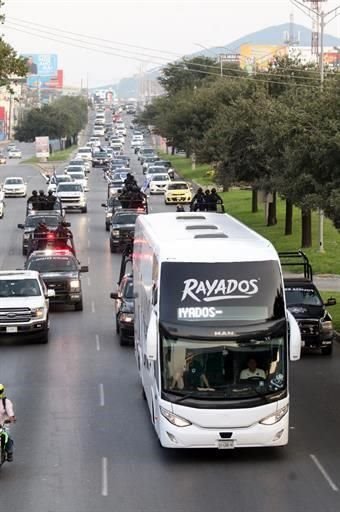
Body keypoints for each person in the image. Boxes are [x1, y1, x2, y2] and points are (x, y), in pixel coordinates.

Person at [0, 384, 16, 462]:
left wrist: (12, 419)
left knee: (7, 435)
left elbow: (10, 413)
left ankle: (9, 452)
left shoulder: (5, 402)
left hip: (3, 424)